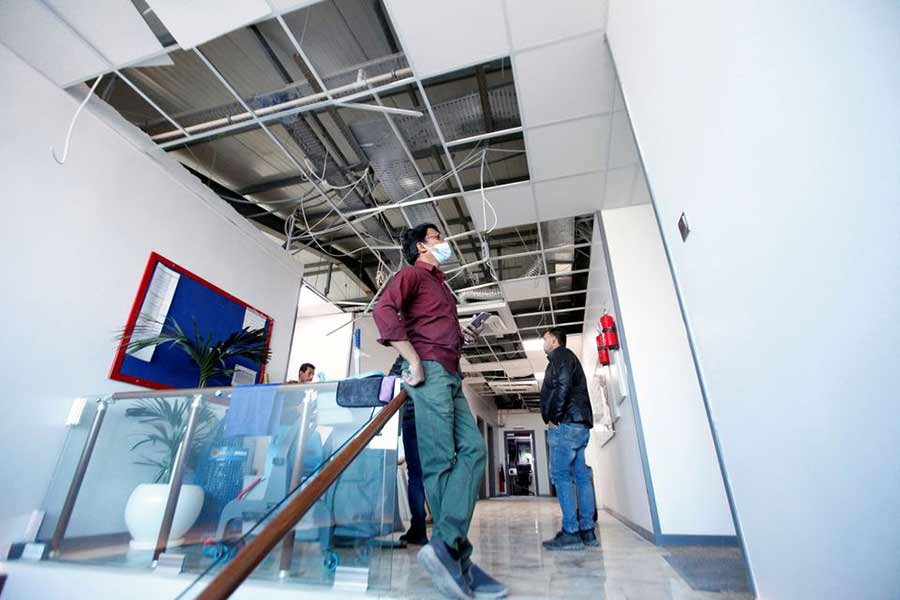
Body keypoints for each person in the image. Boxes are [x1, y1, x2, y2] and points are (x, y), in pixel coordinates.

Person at [373, 223, 506, 600]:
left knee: (475, 451)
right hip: (428, 369)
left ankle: (448, 547)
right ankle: (455, 555)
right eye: (437, 238)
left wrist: (467, 334)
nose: (444, 244)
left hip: (450, 372)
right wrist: (411, 360)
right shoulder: (413, 273)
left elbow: (437, 327)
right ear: (421, 246)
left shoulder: (442, 287)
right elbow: (384, 311)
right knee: (439, 461)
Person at [539, 327, 598, 551]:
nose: (544, 343)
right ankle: (587, 531)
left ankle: (571, 532)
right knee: (581, 476)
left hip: (566, 424)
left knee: (561, 476)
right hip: (580, 425)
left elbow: (562, 385)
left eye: (545, 339)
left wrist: (554, 417)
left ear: (554, 340)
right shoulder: (568, 357)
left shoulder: (560, 356)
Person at [390, 355, 428, 546]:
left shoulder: (405, 355)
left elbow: (392, 382)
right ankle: (445, 533)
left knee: (416, 476)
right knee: (436, 473)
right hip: (433, 416)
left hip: (413, 417)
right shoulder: (432, 349)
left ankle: (419, 529)